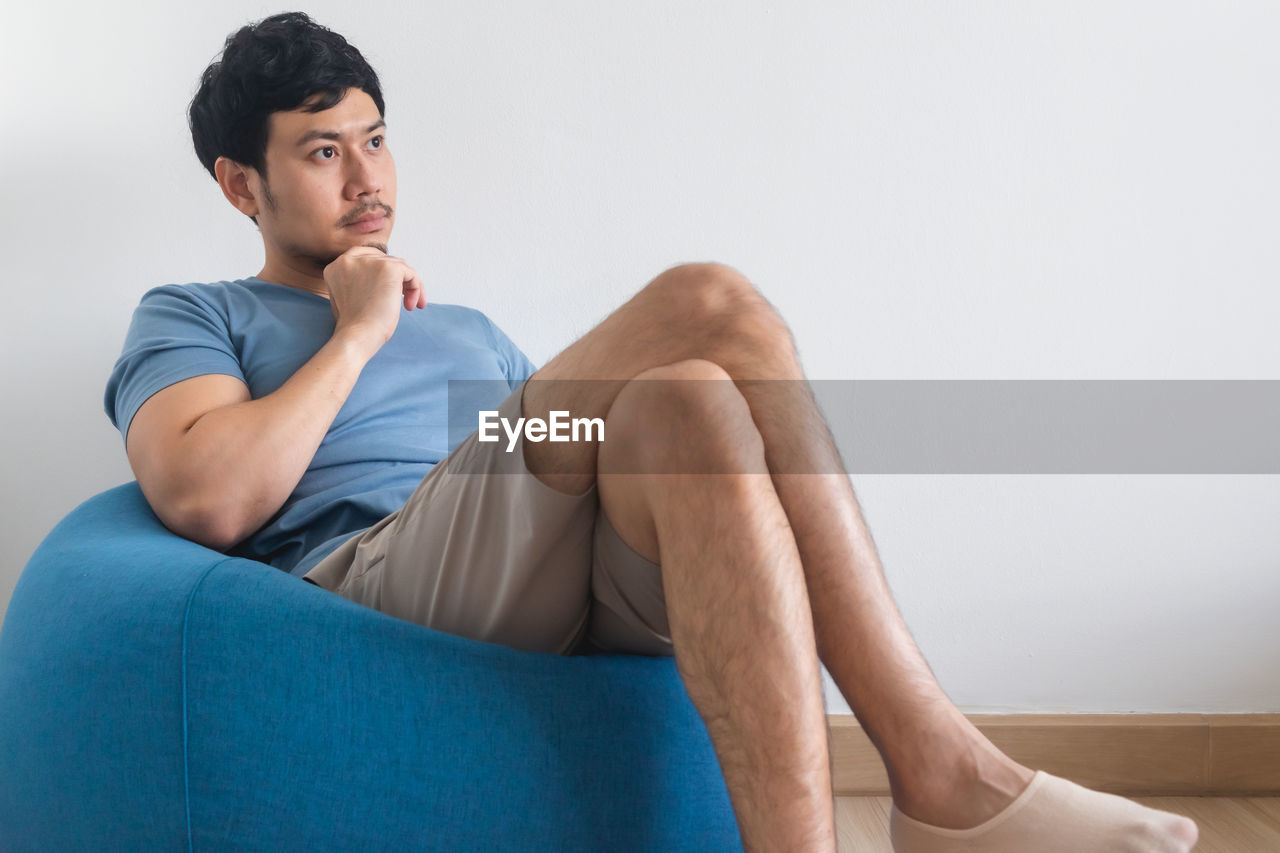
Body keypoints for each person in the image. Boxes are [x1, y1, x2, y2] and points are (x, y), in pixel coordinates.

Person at [104, 12, 1200, 852]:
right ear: (241, 184)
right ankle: (939, 764)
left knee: (685, 400)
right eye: (321, 152)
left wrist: (595, 412)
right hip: (363, 580)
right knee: (711, 302)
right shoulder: (198, 314)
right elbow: (210, 496)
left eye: (375, 140)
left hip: (508, 547)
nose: (367, 176)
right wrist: (357, 330)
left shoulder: (473, 333)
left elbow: (557, 459)